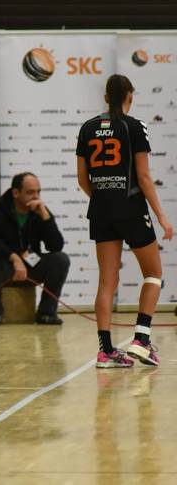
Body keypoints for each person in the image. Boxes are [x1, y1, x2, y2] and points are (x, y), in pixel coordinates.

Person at [76, 74, 174, 368]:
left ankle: (105, 352)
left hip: (100, 209)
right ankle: (141, 340)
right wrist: (162, 216)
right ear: (130, 96)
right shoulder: (134, 126)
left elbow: (82, 179)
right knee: (153, 274)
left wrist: (103, 198)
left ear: (106, 98)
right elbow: (143, 176)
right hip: (131, 207)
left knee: (106, 282)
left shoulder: (88, 128)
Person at [0, 172, 70, 326]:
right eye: (30, 192)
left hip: (30, 265)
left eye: (38, 192)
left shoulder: (40, 211)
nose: (36, 197)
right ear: (16, 193)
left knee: (60, 259)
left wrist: (46, 217)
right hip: (5, 266)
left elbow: (55, 246)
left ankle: (46, 313)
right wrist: (14, 257)